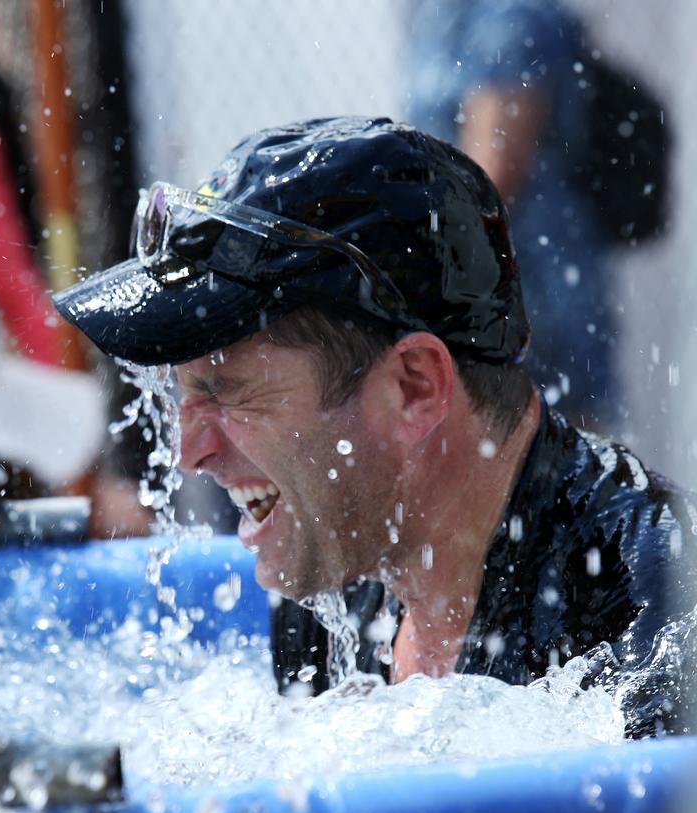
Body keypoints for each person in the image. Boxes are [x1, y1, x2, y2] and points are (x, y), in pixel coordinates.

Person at [52, 116, 696, 738]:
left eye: (229, 392)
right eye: (182, 397)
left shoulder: (659, 608)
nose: (191, 453)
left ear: (413, 386)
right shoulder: (335, 575)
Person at [406, 0, 618, 430]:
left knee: (553, 449)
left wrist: (415, 260)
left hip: (530, 280)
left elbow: (493, 175)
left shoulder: (510, 19)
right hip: (490, 277)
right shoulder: (443, 18)